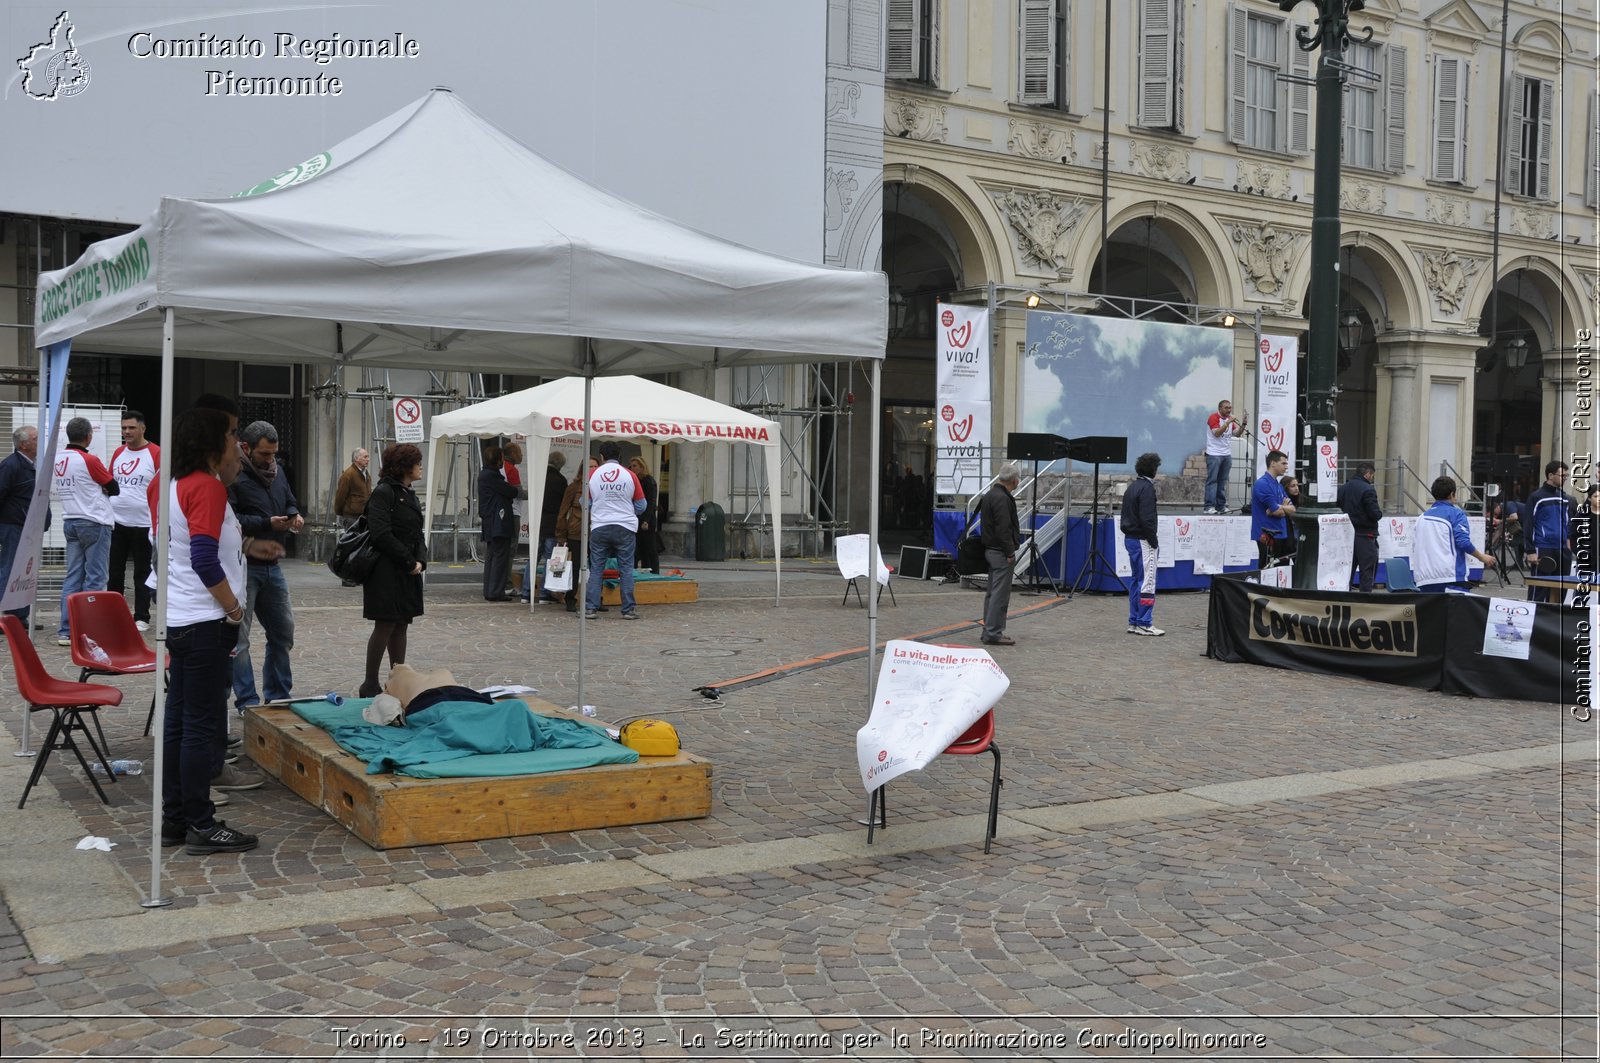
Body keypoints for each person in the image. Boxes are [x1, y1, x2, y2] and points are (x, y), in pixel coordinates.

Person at [160, 407, 282, 855]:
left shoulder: (174, 484)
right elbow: (203, 558)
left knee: (179, 723)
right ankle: (200, 823)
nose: (238, 443)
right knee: (198, 725)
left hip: (183, 620)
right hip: (206, 622)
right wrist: (232, 609)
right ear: (213, 442)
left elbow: (188, 543)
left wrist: (249, 546)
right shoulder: (207, 487)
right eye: (232, 434)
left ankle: (176, 817)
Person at [227, 420, 302, 711]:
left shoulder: (278, 471)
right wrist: (265, 523)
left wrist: (293, 515)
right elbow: (230, 520)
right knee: (240, 640)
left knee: (283, 632)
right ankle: (247, 702)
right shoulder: (235, 474)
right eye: (264, 455)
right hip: (244, 565)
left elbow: (290, 499)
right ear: (246, 448)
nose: (271, 460)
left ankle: (279, 695)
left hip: (273, 564)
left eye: (274, 454)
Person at [358, 444, 427, 699]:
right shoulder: (384, 492)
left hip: (407, 571)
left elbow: (417, 532)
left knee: (401, 624)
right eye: (417, 462)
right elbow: (380, 533)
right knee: (385, 623)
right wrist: (408, 561)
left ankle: (398, 678)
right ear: (405, 466)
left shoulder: (409, 494)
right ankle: (369, 684)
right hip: (386, 571)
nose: (421, 467)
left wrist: (421, 559)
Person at [55, 416, 119, 647]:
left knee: (72, 577)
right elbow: (114, 487)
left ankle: (66, 631)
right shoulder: (89, 459)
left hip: (70, 520)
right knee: (96, 578)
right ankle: (90, 632)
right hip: (94, 521)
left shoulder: (58, 458)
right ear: (89, 436)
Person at [107, 410, 160, 630]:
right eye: (124, 428)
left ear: (142, 428)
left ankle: (142, 616)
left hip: (144, 524)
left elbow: (163, 486)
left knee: (142, 572)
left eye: (131, 428)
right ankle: (113, 613)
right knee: (114, 571)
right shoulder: (119, 452)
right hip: (116, 522)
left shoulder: (156, 453)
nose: (126, 432)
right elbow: (109, 481)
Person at [586, 440, 645, 620]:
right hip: (625, 526)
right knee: (626, 568)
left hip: (600, 526)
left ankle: (590, 608)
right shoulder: (630, 475)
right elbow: (642, 505)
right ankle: (628, 609)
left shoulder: (593, 474)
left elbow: (585, 503)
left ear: (602, 457)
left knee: (596, 568)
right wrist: (627, 511)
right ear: (619, 456)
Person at [1414, 476, 1495, 592]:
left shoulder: (1420, 518)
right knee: (1460, 610)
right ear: (1451, 494)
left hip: (1423, 579)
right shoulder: (1456, 514)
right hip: (1450, 577)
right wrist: (1482, 557)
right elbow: (1463, 542)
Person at [0, 425, 47, 625]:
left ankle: (19, 615)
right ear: (24, 444)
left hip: (28, 527)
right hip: (13, 526)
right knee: (10, 569)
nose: (40, 442)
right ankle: (5, 616)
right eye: (36, 439)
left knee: (24, 573)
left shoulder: (34, 464)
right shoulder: (11, 465)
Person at [978, 465, 1022, 646]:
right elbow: (1003, 528)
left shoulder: (989, 495)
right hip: (1000, 551)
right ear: (1015, 480)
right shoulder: (1003, 498)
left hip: (990, 549)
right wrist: (1010, 552)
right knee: (999, 594)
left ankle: (988, 629)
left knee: (992, 593)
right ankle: (993, 632)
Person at [1120, 452, 1163, 636]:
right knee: (1147, 581)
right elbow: (1147, 519)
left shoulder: (1132, 488)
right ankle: (1145, 622)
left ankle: (1134, 620)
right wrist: (1153, 540)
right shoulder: (1147, 489)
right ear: (1153, 469)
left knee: (1136, 580)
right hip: (1142, 540)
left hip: (1130, 538)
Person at [1524, 460, 1574, 603]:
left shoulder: (1565, 498)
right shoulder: (1536, 497)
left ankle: (1554, 622)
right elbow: (1528, 524)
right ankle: (1534, 620)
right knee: (1539, 590)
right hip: (1543, 547)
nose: (1565, 478)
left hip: (1563, 549)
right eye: (1562, 475)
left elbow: (1568, 523)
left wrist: (1569, 544)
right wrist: (1530, 550)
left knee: (1561, 590)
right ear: (1551, 475)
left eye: (1566, 475)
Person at [477, 445, 522, 602]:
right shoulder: (492, 476)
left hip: (490, 520)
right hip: (498, 521)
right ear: (497, 460)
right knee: (499, 556)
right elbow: (511, 492)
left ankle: (490, 590)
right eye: (501, 458)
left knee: (491, 556)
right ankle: (496, 591)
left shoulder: (485, 475)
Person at [554, 456, 597, 612]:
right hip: (576, 532)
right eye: (589, 466)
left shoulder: (601, 486)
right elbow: (563, 512)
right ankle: (570, 598)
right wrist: (561, 535)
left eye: (595, 466)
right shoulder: (574, 487)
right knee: (575, 566)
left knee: (596, 568)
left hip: (596, 533)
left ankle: (596, 598)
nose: (592, 469)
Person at [527, 450, 569, 602]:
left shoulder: (538, 477)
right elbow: (563, 505)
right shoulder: (561, 480)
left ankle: (527, 592)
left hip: (537, 521)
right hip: (552, 523)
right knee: (550, 559)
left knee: (533, 558)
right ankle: (545, 592)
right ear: (560, 466)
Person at [1337, 461, 1383, 592]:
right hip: (1365, 534)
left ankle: (1346, 597)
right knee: (1367, 569)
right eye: (1372, 475)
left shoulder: (1343, 488)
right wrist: (1379, 514)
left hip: (1347, 534)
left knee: (1347, 570)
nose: (1372, 478)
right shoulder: (1368, 489)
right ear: (1368, 474)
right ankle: (1365, 600)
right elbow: (1375, 514)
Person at [1251, 450, 1296, 569]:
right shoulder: (1262, 484)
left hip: (1281, 534)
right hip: (1267, 535)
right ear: (1272, 463)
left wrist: (1280, 507)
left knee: (1281, 571)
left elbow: (1292, 509)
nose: (1286, 467)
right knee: (1267, 571)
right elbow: (1277, 512)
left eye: (1286, 464)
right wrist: (1279, 508)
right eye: (1283, 463)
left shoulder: (1278, 485)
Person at [1203, 399, 1245, 515]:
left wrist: (1244, 423)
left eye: (1230, 407)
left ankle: (1221, 506)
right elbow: (1217, 433)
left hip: (1226, 454)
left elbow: (1237, 433)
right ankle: (1208, 507)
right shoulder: (1214, 417)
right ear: (1220, 408)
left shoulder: (1230, 420)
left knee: (1222, 481)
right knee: (1212, 480)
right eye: (1226, 408)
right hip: (1214, 454)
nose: (1229, 410)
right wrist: (1227, 422)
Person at [629, 455, 663, 575]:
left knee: (650, 548)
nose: (633, 468)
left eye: (635, 466)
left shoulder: (649, 481)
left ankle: (654, 572)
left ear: (642, 467)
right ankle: (636, 572)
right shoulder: (632, 480)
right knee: (637, 548)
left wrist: (646, 520)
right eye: (631, 466)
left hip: (647, 518)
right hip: (636, 518)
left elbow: (651, 502)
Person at [501, 441, 526, 597]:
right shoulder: (512, 470)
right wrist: (536, 492)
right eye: (519, 453)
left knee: (502, 549)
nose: (522, 455)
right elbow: (518, 493)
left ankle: (501, 582)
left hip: (504, 512)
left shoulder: (502, 467)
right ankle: (508, 584)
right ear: (513, 454)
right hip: (513, 512)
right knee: (511, 549)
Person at [332, 447, 371, 527]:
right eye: (365, 457)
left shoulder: (366, 474)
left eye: (368, 457)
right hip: (352, 517)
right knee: (353, 538)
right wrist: (341, 513)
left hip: (364, 515)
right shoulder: (348, 475)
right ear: (356, 459)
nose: (368, 459)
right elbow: (340, 496)